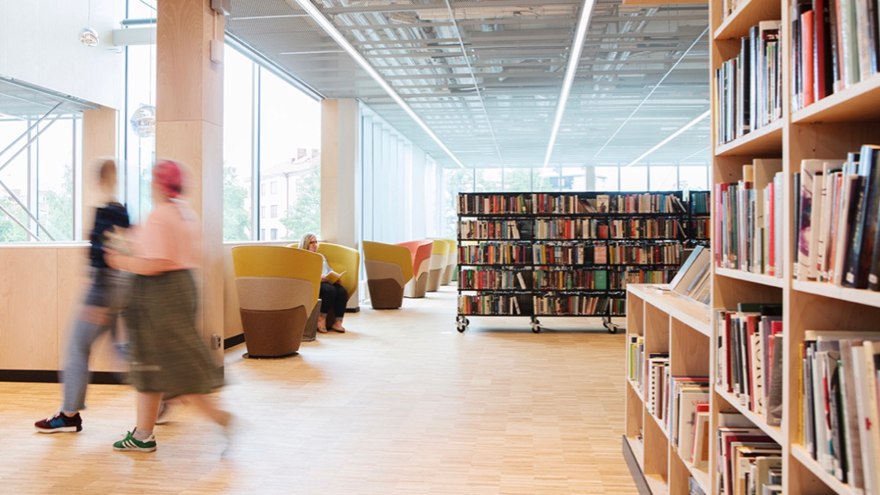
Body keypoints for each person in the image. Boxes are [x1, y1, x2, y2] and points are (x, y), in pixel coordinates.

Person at [104, 159, 230, 452]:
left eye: (152, 179)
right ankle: (143, 434)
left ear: (160, 184)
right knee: (152, 366)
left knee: (171, 367)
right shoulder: (184, 213)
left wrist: (118, 259)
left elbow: (157, 263)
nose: (149, 185)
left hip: (161, 297)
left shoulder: (161, 214)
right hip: (182, 289)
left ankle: (221, 419)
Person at [35, 159, 130, 433]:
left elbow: (105, 256)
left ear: (99, 179)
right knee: (119, 351)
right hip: (120, 286)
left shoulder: (105, 213)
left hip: (104, 288)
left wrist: (100, 300)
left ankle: (68, 414)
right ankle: (164, 391)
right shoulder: (122, 211)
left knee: (77, 349)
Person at [299, 232, 348, 333]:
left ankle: (338, 322)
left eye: (315, 242)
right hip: (315, 282)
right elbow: (302, 274)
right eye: (311, 242)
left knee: (342, 291)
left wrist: (335, 278)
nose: (314, 244)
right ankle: (321, 318)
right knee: (330, 290)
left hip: (327, 281)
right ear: (305, 243)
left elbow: (328, 270)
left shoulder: (321, 256)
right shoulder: (302, 257)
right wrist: (319, 278)